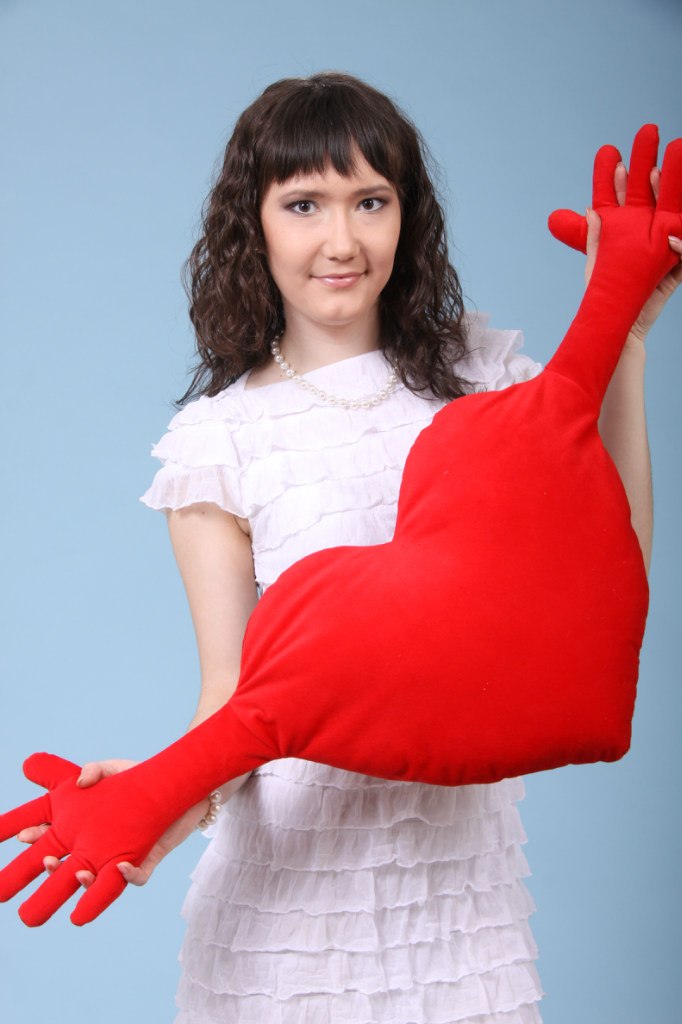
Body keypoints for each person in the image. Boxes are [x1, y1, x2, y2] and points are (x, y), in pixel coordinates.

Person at [22, 73, 682, 1022]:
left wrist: (629, 343)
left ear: (407, 215)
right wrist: (161, 807)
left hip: (462, 906)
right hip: (289, 917)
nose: (342, 241)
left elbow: (607, 584)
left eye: (370, 202)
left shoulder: (485, 381)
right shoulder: (219, 443)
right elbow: (236, 703)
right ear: (253, 224)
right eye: (304, 205)